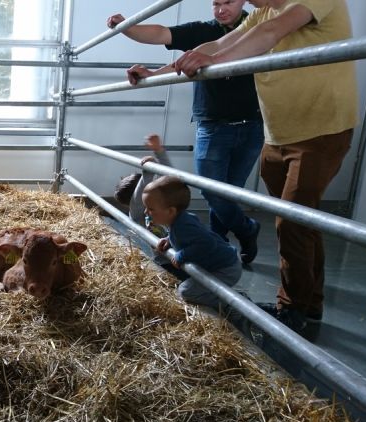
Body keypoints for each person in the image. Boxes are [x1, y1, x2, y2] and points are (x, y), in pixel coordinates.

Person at [168, 0, 356, 333]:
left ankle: (294, 310)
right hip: (278, 133)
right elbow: (222, 42)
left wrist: (213, 60)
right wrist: (158, 72)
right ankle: (310, 306)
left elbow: (271, 33)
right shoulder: (261, 12)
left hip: (322, 129)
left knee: (293, 221)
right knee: (301, 221)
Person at [111, 0, 263, 264]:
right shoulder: (203, 31)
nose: (220, 9)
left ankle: (219, 245)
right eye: (215, 3)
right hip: (213, 125)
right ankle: (247, 229)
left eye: (228, 2)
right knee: (213, 192)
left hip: (253, 124)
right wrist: (126, 28)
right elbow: (161, 33)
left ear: (243, 1)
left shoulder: (260, 26)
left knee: (229, 194)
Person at [142, 175, 242, 309]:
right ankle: (227, 298)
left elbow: (207, 243)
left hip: (224, 268)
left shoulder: (183, 226)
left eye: (150, 209)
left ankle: (233, 307)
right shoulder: (179, 219)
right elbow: (190, 238)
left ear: (171, 211)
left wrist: (182, 255)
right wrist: (169, 240)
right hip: (223, 263)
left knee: (186, 292)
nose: (145, 212)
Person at [114, 134, 189, 281]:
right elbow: (138, 199)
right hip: (168, 262)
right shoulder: (137, 214)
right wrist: (148, 172)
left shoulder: (164, 205)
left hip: (186, 251)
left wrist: (159, 153)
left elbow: (172, 181)